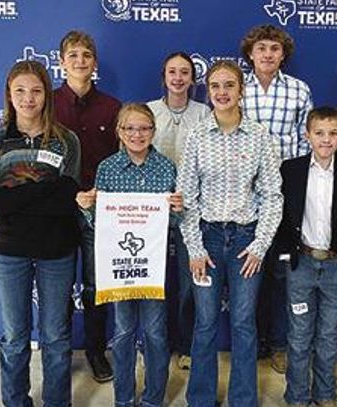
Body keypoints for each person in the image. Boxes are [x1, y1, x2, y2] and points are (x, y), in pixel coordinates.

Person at [0, 60, 81, 407]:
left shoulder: (67, 140)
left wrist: (13, 198)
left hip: (57, 251)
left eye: (36, 90)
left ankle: (56, 402)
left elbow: (67, 201)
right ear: (9, 94)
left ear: (46, 95)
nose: (28, 98)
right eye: (20, 90)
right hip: (10, 251)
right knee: (16, 337)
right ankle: (16, 401)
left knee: (55, 337)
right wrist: (43, 190)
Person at [178, 60, 283, 407]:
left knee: (242, 322)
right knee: (205, 322)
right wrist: (193, 247)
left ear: (242, 90)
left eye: (229, 85)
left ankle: (242, 400)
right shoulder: (196, 136)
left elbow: (272, 195)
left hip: (245, 241)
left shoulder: (260, 137)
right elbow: (186, 196)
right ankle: (201, 399)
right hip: (206, 239)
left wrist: (260, 244)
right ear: (208, 91)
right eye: (215, 86)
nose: (222, 92)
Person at [78, 103, 183, 407]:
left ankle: (152, 398)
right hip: (119, 267)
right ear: (119, 132)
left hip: (153, 265)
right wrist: (88, 208)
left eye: (144, 128)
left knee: (155, 332)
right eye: (130, 128)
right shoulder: (107, 168)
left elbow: (173, 222)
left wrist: (177, 210)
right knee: (123, 332)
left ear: (153, 130)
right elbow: (100, 222)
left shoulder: (166, 167)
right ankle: (123, 399)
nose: (137, 134)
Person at [277, 107, 337, 407]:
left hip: (336, 267)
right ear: (307, 135)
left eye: (332, 134)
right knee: (299, 336)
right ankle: (297, 396)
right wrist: (285, 257)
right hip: (301, 264)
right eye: (319, 133)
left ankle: (325, 394)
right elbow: (280, 215)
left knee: (329, 335)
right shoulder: (290, 170)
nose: (325, 140)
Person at [240, 23, 314, 374]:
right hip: (243, 195)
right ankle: (254, 343)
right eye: (261, 48)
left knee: (285, 274)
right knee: (250, 273)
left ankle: (282, 345)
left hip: (284, 194)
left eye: (274, 48)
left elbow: (306, 144)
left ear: (283, 54)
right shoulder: (236, 90)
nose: (267, 54)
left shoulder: (299, 91)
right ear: (250, 54)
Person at [54, 30, 121, 383]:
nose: (80, 61)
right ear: (62, 61)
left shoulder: (112, 107)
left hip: (101, 210)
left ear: (94, 63)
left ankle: (96, 350)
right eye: (73, 55)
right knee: (59, 285)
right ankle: (59, 351)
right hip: (57, 211)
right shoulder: (48, 103)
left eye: (86, 55)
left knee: (97, 286)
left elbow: (121, 158)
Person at [147, 51, 210, 370]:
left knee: (188, 283)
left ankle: (186, 345)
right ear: (164, 76)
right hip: (150, 211)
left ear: (192, 79)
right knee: (152, 279)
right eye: (172, 71)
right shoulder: (147, 111)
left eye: (185, 72)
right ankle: (155, 344)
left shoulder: (204, 113)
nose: (178, 77)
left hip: (189, 210)